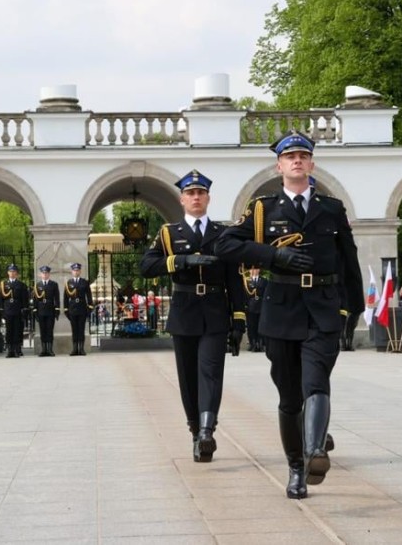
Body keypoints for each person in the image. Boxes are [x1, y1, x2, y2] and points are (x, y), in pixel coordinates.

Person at [218, 131, 364, 499]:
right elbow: (226, 244)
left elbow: (350, 262)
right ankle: (295, 466)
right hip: (281, 308)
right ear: (279, 165)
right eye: (290, 156)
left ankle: (314, 453)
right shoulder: (263, 208)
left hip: (323, 307)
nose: (297, 160)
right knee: (289, 396)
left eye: (303, 155)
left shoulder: (332, 209)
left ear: (311, 164)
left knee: (316, 382)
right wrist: (273, 256)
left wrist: (353, 308)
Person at [140, 169, 246, 463]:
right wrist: (180, 260)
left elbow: (235, 279)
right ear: (182, 199)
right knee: (188, 378)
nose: (196, 197)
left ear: (208, 198)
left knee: (210, 373)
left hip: (214, 311)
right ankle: (195, 430)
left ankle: (208, 431)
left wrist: (238, 319)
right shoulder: (168, 234)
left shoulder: (222, 234)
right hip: (184, 311)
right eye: (190, 193)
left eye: (200, 193)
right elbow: (146, 266)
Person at [0, 264, 29, 358]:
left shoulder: (21, 285)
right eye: (10, 271)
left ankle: (16, 349)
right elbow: (0, 299)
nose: (12, 273)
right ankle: (10, 350)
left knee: (17, 330)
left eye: (14, 272)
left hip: (17, 310)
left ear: (17, 273)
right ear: (8, 273)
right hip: (8, 310)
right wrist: (1, 310)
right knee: (9, 331)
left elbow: (24, 299)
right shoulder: (4, 284)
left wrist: (24, 309)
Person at [64, 262, 94, 356]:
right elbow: (65, 297)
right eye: (74, 270)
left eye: (77, 270)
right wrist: (66, 309)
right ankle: (74, 349)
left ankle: (81, 349)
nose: (76, 272)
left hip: (82, 308)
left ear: (80, 271)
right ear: (71, 272)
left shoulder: (84, 282)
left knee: (81, 329)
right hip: (72, 308)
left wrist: (89, 307)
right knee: (74, 329)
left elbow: (89, 296)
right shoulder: (69, 283)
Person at [33, 265, 60, 357]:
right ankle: (43, 349)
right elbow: (35, 299)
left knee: (49, 330)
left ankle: (50, 349)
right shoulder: (38, 285)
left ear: (49, 274)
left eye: (46, 273)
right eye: (43, 273)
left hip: (50, 311)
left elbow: (57, 298)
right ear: (41, 274)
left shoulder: (54, 284)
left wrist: (57, 310)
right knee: (42, 331)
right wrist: (35, 311)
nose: (45, 274)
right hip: (41, 311)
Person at [244, 265, 268, 353]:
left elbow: (266, 293)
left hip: (261, 306)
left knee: (260, 325)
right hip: (250, 306)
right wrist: (245, 305)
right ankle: (253, 343)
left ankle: (261, 343)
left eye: (256, 269)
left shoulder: (264, 280)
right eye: (252, 269)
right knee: (251, 326)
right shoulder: (246, 280)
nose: (254, 270)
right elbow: (244, 294)